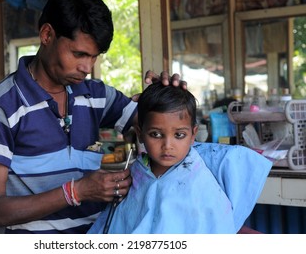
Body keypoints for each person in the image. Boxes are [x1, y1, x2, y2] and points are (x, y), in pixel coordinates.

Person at [0, 0, 185, 234]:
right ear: (47, 35)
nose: (87, 67)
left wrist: (168, 99)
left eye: (94, 57)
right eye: (79, 54)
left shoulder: (96, 95)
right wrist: (76, 191)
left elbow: (155, 127)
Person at [88, 83, 272, 233]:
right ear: (140, 133)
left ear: (193, 135)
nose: (168, 145)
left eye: (179, 135)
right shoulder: (136, 175)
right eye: (156, 134)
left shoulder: (200, 183)